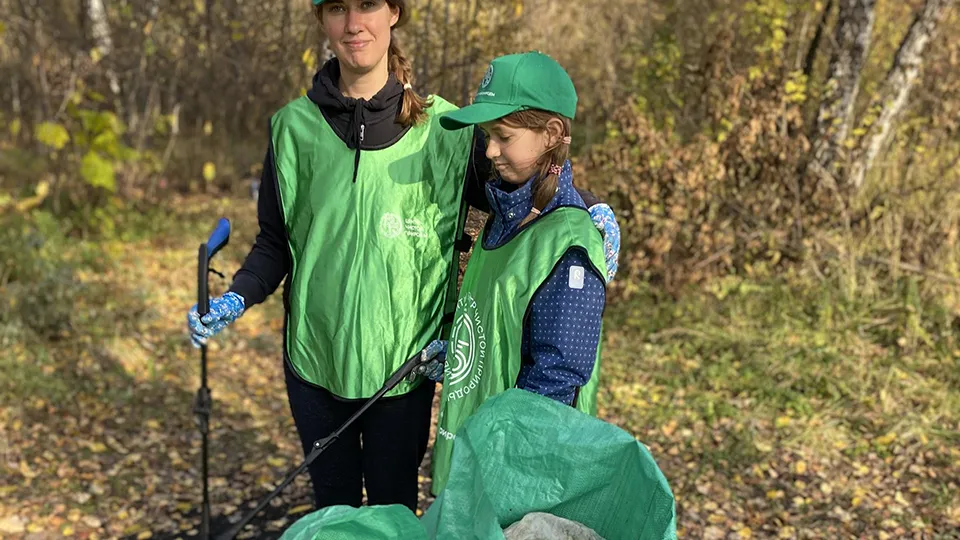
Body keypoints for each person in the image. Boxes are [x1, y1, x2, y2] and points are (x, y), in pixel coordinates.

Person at [186, 0, 620, 512]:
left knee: (394, 508)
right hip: (313, 359)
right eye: (336, 8)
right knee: (332, 510)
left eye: (367, 5)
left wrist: (590, 208)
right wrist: (236, 297)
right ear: (320, 19)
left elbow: (525, 182)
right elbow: (275, 243)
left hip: (406, 366)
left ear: (393, 12)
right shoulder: (291, 129)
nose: (353, 23)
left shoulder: (447, 132)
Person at [416, 52, 608, 495]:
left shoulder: (567, 246)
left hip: (512, 488)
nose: (489, 151)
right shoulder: (499, 220)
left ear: (552, 135)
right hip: (466, 467)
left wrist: (502, 487)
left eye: (503, 136)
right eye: (487, 136)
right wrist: (463, 356)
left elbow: (554, 387)